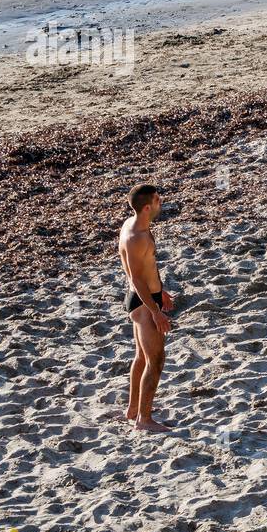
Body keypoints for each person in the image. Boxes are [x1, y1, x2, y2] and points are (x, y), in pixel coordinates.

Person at [117, 184, 174, 432]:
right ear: (148, 206)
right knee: (156, 360)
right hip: (143, 303)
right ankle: (144, 420)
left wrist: (160, 290)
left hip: (147, 296)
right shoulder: (136, 237)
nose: (162, 202)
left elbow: (142, 268)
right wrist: (155, 311)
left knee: (141, 357)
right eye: (158, 199)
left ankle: (133, 410)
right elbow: (137, 278)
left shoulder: (134, 225)